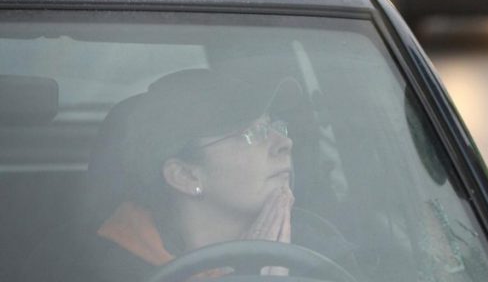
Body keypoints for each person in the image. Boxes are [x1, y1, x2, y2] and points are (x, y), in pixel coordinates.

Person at [66, 69, 353, 281]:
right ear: (185, 176)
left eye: (277, 126)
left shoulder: (323, 254)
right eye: (252, 133)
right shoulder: (104, 270)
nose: (284, 144)